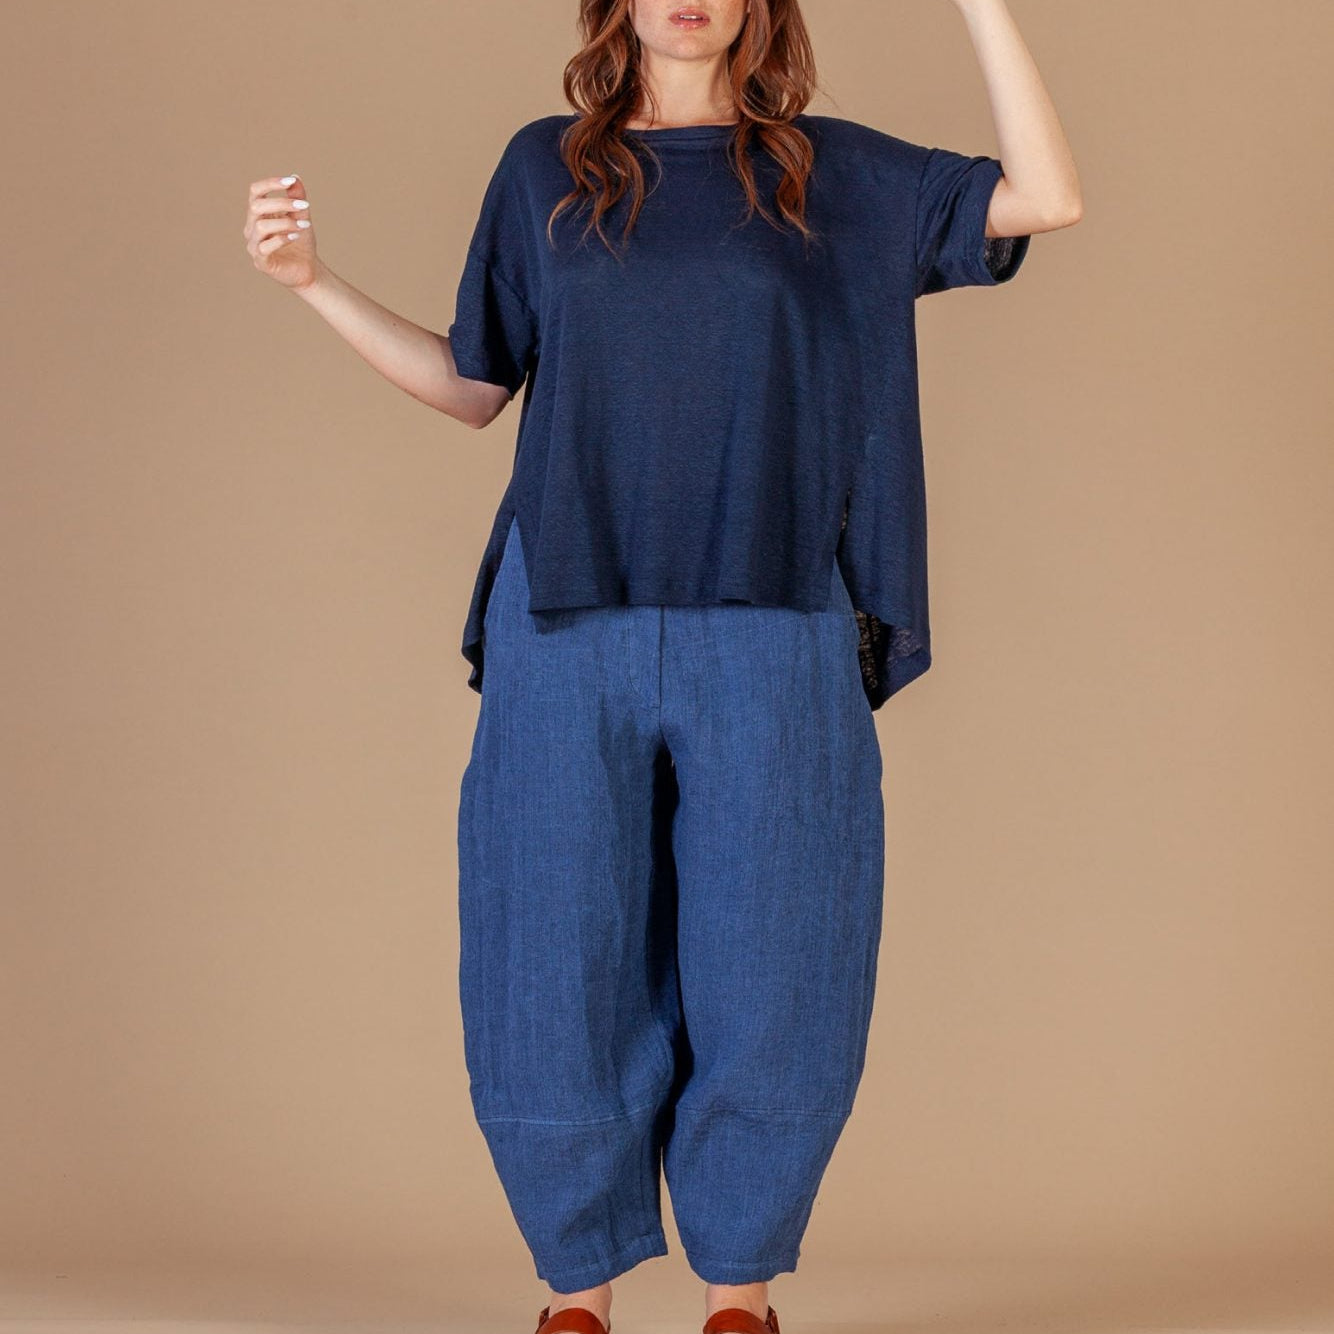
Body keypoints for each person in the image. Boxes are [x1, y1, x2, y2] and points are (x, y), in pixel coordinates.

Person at [242, 1, 1082, 1330]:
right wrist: (311, 283)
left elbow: (1044, 195)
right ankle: (576, 1296)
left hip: (775, 613)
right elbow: (474, 387)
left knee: (780, 959)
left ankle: (735, 1294)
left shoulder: (829, 172)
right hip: (565, 612)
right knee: (547, 955)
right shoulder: (543, 169)